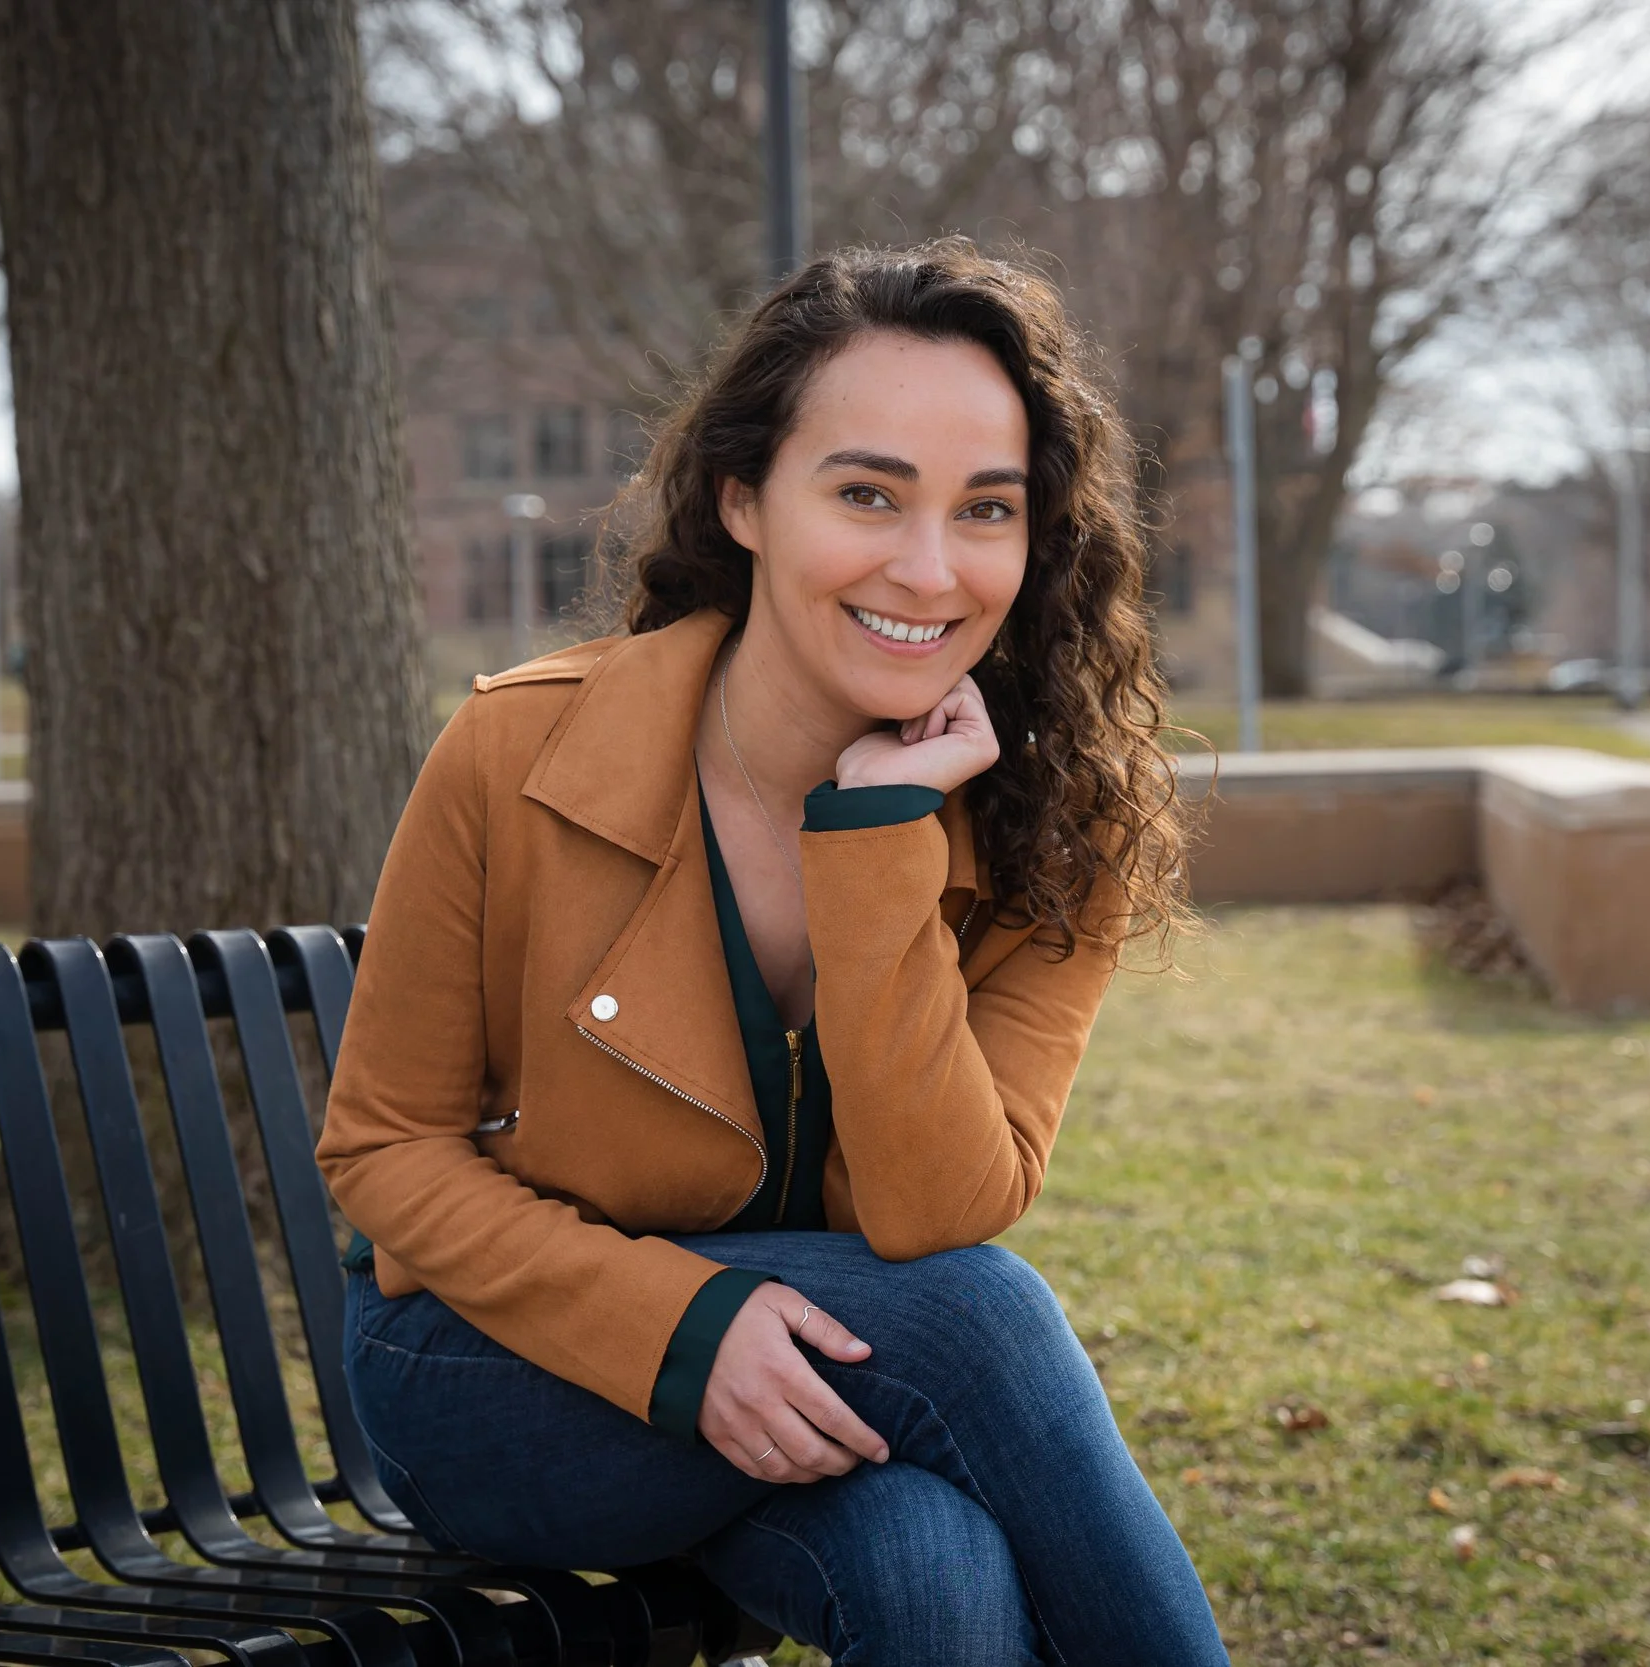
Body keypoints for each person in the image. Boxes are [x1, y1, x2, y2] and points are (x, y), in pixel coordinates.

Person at [317, 238, 1225, 1666]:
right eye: (867, 492)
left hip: (824, 1385)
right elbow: (383, 1152)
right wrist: (686, 1326)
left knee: (938, 1575)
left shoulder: (1067, 833)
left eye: (986, 509)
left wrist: (873, 843)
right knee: (981, 1323)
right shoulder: (519, 748)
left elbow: (937, 1206)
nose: (930, 569)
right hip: (500, 1367)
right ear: (743, 498)